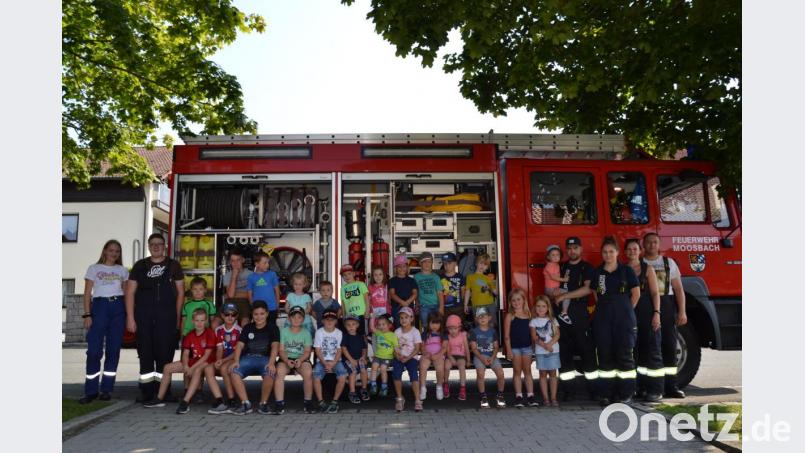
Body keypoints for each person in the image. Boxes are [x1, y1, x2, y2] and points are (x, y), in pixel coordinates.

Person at [559, 236, 640, 406]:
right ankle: (606, 393)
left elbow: (636, 294)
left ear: (617, 252)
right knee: (605, 357)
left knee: (624, 357)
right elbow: (591, 291)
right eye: (605, 252)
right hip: (603, 320)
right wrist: (565, 295)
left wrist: (625, 313)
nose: (608, 255)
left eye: (611, 251)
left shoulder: (627, 271)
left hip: (624, 321)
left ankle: (626, 393)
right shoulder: (598, 272)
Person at [126, 232, 185, 403]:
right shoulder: (139, 266)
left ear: (165, 246)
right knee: (145, 354)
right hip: (143, 317)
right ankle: (146, 392)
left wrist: (177, 316)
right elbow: (130, 292)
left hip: (166, 317)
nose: (156, 246)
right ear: (148, 246)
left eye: (159, 243)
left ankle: (163, 392)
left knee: (165, 354)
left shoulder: (174, 266)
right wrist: (130, 318)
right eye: (153, 244)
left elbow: (181, 293)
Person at [80, 239, 129, 404]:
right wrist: (87, 314)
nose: (114, 254)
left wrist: (129, 315)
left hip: (118, 308)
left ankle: (107, 389)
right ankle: (91, 391)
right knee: (94, 351)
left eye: (117, 251)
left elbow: (127, 294)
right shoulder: (94, 268)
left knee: (113, 350)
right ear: (105, 251)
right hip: (99, 307)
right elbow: (87, 293)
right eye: (111, 250)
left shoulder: (122, 270)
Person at [143, 309, 216, 414]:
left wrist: (191, 368)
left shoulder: (210, 333)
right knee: (167, 368)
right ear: (192, 321)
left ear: (206, 321)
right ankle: (159, 399)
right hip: (193, 361)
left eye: (202, 320)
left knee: (196, 372)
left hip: (207, 362)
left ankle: (185, 403)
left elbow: (206, 356)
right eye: (197, 320)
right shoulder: (190, 335)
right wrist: (186, 366)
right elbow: (185, 354)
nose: (199, 323)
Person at [642, 232, 688, 399]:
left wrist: (682, 311)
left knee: (669, 346)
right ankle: (649, 387)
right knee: (647, 348)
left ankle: (671, 387)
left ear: (659, 244)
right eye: (648, 242)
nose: (652, 245)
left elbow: (678, 289)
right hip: (646, 307)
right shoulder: (639, 264)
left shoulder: (669, 263)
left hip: (667, 306)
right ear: (643, 245)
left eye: (655, 242)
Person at [552, 236, 598, 401]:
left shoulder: (587, 267)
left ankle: (595, 391)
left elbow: (587, 289)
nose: (572, 251)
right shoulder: (561, 267)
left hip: (579, 313)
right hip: (561, 316)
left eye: (575, 248)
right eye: (569, 248)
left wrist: (566, 295)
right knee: (564, 354)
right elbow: (553, 286)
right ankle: (568, 392)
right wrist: (555, 293)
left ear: (581, 249)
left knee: (587, 352)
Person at [624, 239, 663, 402]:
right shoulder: (622, 270)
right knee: (635, 353)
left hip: (647, 314)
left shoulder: (648, 269)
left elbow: (655, 293)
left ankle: (655, 390)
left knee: (652, 352)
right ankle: (640, 387)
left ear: (640, 251)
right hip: (629, 316)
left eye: (635, 248)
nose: (632, 251)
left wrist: (657, 313)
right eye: (629, 249)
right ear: (625, 252)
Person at [229, 300, 280, 416]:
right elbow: (239, 346)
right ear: (252, 314)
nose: (259, 317)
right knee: (234, 372)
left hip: (265, 359)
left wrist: (272, 363)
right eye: (256, 314)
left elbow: (275, 347)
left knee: (270, 374)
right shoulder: (247, 328)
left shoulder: (273, 328)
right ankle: (245, 403)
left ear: (267, 314)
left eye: (262, 314)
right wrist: (236, 361)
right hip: (248, 358)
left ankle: (263, 404)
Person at [274, 305, 315, 414]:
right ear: (289, 318)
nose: (296, 319)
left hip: (301, 358)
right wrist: (287, 360)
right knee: (279, 372)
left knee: (308, 372)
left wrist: (300, 360)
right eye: (293, 317)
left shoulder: (306, 333)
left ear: (303, 319)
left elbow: (307, 351)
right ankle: (279, 403)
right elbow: (281, 350)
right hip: (286, 358)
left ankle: (308, 402)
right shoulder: (284, 331)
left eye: (299, 317)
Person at [204, 303, 242, 414]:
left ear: (237, 316)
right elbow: (219, 348)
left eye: (233, 314)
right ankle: (219, 399)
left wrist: (222, 361)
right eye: (227, 314)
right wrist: (218, 360)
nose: (230, 317)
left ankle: (231, 399)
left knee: (224, 369)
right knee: (208, 369)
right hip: (222, 358)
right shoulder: (218, 330)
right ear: (222, 315)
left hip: (233, 358)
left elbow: (237, 352)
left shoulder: (239, 330)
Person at [504, 288, 537, 407]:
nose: (516, 302)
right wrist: (508, 350)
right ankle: (518, 396)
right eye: (513, 300)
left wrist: (534, 350)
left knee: (527, 371)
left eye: (518, 299)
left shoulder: (529, 315)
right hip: (515, 349)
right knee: (517, 371)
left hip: (527, 348)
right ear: (510, 302)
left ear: (524, 300)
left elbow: (533, 335)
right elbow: (507, 336)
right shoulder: (510, 316)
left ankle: (530, 396)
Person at [469, 306, 506, 409]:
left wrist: (493, 357)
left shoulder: (493, 331)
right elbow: (474, 348)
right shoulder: (474, 332)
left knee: (501, 374)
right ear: (476, 319)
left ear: (489, 317)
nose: (482, 318)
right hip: (479, 356)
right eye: (479, 316)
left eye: (484, 316)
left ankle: (500, 395)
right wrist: (482, 359)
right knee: (480, 373)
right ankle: (483, 396)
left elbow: (496, 347)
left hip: (492, 356)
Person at [312, 308, 348, 413]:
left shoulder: (339, 333)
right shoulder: (319, 332)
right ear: (322, 321)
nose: (329, 322)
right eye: (327, 319)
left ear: (336, 321)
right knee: (316, 376)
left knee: (342, 376)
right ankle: (321, 402)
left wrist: (333, 363)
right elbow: (317, 350)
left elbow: (339, 350)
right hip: (322, 361)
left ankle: (334, 401)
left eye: (332, 319)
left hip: (335, 361)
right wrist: (325, 363)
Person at [530, 295, 561, 407]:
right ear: (535, 308)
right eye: (538, 306)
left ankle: (553, 397)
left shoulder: (553, 320)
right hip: (540, 352)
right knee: (542, 374)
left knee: (553, 373)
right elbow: (534, 337)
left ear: (548, 308)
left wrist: (550, 344)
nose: (540, 308)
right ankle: (545, 398)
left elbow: (557, 334)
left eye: (543, 306)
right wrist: (545, 345)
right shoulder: (533, 322)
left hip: (553, 350)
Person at [393, 307, 423, 412]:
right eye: (401, 318)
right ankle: (400, 399)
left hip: (411, 357)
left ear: (411, 318)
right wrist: (398, 356)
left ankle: (418, 400)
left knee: (414, 376)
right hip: (400, 357)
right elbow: (395, 347)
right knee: (396, 375)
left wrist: (408, 358)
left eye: (406, 317)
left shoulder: (415, 332)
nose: (403, 320)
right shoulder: (397, 331)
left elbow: (417, 349)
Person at [341, 314, 370, 403]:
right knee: (353, 371)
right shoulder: (345, 336)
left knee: (363, 370)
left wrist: (363, 357)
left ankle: (364, 389)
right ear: (345, 326)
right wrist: (351, 360)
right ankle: (352, 392)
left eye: (353, 324)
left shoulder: (360, 337)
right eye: (348, 325)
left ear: (357, 325)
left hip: (359, 358)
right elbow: (344, 349)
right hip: (348, 359)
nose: (351, 327)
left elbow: (364, 348)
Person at [247, 251, 281, 326]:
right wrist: (252, 306)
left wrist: (277, 305)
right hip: (258, 309)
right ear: (257, 264)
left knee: (271, 327)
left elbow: (277, 290)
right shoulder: (251, 277)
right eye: (264, 263)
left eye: (268, 262)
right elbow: (249, 293)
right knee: (259, 327)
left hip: (271, 307)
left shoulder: (272, 274)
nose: (267, 265)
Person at [419, 311, 447, 401]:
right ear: (428, 323)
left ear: (441, 323)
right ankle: (423, 387)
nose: (435, 325)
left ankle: (439, 387)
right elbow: (422, 346)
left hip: (439, 355)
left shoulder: (443, 334)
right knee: (422, 366)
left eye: (437, 323)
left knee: (440, 368)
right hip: (427, 354)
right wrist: (425, 353)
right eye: (432, 323)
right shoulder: (425, 333)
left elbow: (444, 348)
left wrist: (438, 355)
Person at [464, 254, 498, 328]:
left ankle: (493, 340)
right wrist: (465, 304)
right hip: (477, 305)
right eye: (481, 263)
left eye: (485, 264)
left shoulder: (488, 278)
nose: (482, 266)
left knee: (492, 326)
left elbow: (495, 292)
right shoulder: (470, 277)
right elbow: (468, 291)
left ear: (487, 267)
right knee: (479, 327)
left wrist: (495, 284)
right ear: (476, 263)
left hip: (490, 305)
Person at [221, 249, 253, 326]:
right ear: (230, 262)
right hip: (229, 303)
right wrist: (234, 276)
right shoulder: (228, 275)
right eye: (232, 261)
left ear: (243, 260)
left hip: (245, 303)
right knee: (215, 323)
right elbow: (231, 295)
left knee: (245, 323)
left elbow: (252, 295)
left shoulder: (251, 274)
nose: (235, 263)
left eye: (238, 260)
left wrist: (229, 295)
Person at [413, 252, 444, 331]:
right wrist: (416, 305)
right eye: (424, 262)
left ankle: (436, 340)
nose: (427, 264)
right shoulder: (416, 277)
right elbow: (416, 293)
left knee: (437, 325)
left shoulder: (436, 277)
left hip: (436, 305)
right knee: (426, 325)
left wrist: (441, 307)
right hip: (424, 306)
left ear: (432, 263)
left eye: (429, 262)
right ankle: (427, 340)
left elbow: (440, 293)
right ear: (420, 263)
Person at [442, 314, 470, 401]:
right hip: (450, 355)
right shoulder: (448, 337)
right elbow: (447, 350)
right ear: (447, 329)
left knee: (462, 367)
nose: (453, 331)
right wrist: (451, 358)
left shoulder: (463, 335)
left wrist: (468, 360)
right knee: (446, 366)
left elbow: (466, 348)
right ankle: (446, 384)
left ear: (459, 327)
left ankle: (462, 388)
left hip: (461, 356)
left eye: (455, 328)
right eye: (450, 329)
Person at [369, 314, 396, 397]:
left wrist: (398, 354)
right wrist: (372, 318)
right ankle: (373, 384)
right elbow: (372, 327)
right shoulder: (378, 333)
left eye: (383, 324)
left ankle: (384, 386)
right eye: (379, 324)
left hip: (387, 357)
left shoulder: (392, 335)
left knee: (383, 369)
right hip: (378, 356)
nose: (381, 326)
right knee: (374, 366)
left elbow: (396, 346)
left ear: (389, 325)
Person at [339, 264, 370, 337]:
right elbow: (343, 303)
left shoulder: (361, 284)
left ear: (354, 273)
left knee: (362, 334)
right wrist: (343, 316)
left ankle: (363, 348)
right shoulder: (343, 288)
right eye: (344, 275)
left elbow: (366, 298)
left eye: (349, 274)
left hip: (361, 314)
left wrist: (367, 310)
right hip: (349, 315)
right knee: (351, 334)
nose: (347, 276)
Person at [388, 254, 418, 328]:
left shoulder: (412, 280)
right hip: (396, 308)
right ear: (395, 268)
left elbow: (415, 293)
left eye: (404, 266)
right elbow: (392, 294)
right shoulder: (392, 281)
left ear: (407, 268)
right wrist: (402, 302)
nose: (402, 268)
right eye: (399, 266)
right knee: (398, 327)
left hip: (409, 307)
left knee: (409, 327)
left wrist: (407, 302)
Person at [544, 245, 570, 324]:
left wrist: (564, 276)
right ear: (548, 257)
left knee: (560, 297)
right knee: (567, 294)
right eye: (553, 255)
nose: (555, 257)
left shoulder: (557, 265)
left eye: (557, 255)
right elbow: (553, 277)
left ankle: (556, 304)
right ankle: (564, 312)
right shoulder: (549, 265)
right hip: (550, 289)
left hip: (555, 288)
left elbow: (558, 275)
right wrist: (564, 279)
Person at [284, 272, 315, 337]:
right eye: (296, 284)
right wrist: (291, 313)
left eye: (300, 284)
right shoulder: (290, 295)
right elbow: (286, 307)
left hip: (304, 320)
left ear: (304, 285)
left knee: (306, 337)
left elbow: (309, 309)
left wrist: (300, 313)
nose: (297, 286)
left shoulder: (306, 296)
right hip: (292, 320)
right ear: (292, 284)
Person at [440, 252, 467, 321]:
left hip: (458, 307)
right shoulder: (440, 277)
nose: (447, 266)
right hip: (445, 308)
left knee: (459, 325)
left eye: (449, 263)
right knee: (446, 326)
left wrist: (462, 303)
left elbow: (463, 290)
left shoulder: (460, 276)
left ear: (455, 263)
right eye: (445, 264)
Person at [367, 265, 391, 333]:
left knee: (385, 331)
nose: (378, 277)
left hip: (385, 312)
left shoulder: (386, 285)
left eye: (380, 274)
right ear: (372, 276)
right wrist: (368, 311)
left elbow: (389, 298)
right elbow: (368, 299)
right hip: (374, 313)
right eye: (375, 275)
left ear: (384, 275)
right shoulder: (370, 287)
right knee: (375, 330)